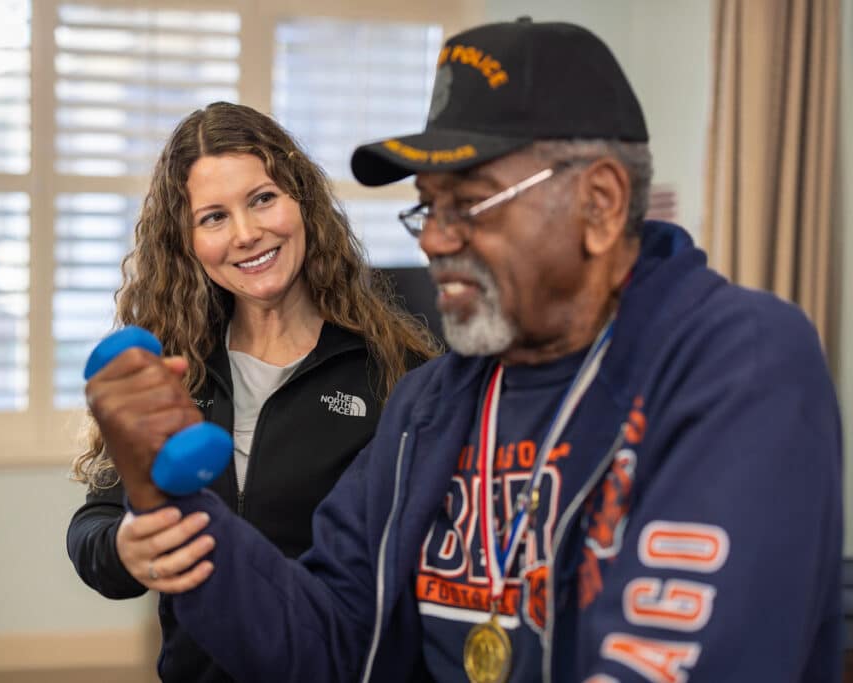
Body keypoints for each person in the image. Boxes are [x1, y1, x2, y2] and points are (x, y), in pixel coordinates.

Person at [89, 19, 844, 683]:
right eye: (430, 206)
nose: (437, 239)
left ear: (601, 203)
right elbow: (324, 640)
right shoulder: (434, 405)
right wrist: (168, 494)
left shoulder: (735, 362)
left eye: (471, 201)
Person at [66, 101, 440, 683]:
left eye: (263, 199)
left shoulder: (396, 369)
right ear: (187, 241)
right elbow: (93, 530)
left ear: (302, 202)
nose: (246, 234)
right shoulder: (172, 369)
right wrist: (125, 548)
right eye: (214, 217)